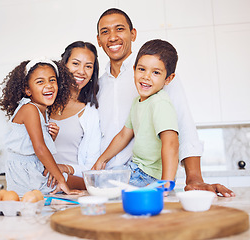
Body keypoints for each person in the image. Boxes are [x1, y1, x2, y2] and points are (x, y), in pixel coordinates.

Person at [95, 8, 234, 197]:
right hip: (111, 178)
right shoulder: (98, 85)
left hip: (146, 177)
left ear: (132, 34)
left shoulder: (159, 75)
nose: (112, 37)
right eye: (105, 32)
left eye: (119, 29)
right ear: (99, 40)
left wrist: (194, 178)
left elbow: (182, 127)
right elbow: (120, 134)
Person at [93, 39, 179, 187]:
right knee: (97, 181)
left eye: (156, 72)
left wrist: (166, 184)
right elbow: (123, 136)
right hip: (136, 169)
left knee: (103, 187)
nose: (146, 76)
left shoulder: (159, 103)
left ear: (168, 78)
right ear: (134, 69)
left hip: (149, 175)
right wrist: (102, 160)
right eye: (141, 69)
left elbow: (171, 143)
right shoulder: (137, 103)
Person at [0, 57, 82, 195]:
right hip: (27, 176)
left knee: (85, 183)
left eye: (52, 80)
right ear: (27, 90)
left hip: (33, 170)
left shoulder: (42, 111)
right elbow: (39, 148)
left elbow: (33, 147)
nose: (48, 85)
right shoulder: (30, 109)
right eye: (40, 82)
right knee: (87, 184)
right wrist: (60, 179)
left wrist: (50, 138)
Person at [45, 41, 101, 188]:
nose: (81, 71)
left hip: (71, 186)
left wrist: (65, 168)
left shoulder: (89, 113)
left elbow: (91, 168)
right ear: (64, 65)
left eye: (88, 66)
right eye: (76, 63)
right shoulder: (43, 104)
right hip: (37, 185)